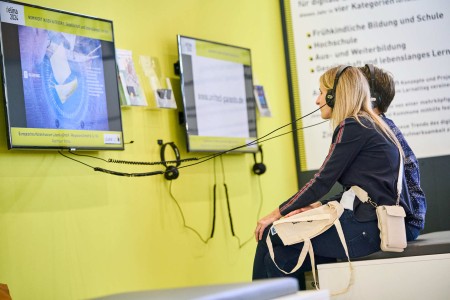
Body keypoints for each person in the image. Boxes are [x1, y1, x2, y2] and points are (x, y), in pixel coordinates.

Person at [252, 65, 411, 283]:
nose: (317, 101)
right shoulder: (371, 124)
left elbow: (321, 181)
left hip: (366, 228)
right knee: (281, 254)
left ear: (334, 95)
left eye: (320, 92)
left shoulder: (354, 125)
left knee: (271, 233)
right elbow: (363, 187)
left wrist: (275, 214)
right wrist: (313, 207)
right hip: (369, 224)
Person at [359, 64, 426, 241]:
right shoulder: (380, 126)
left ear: (370, 98)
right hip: (402, 220)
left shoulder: (377, 129)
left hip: (402, 224)